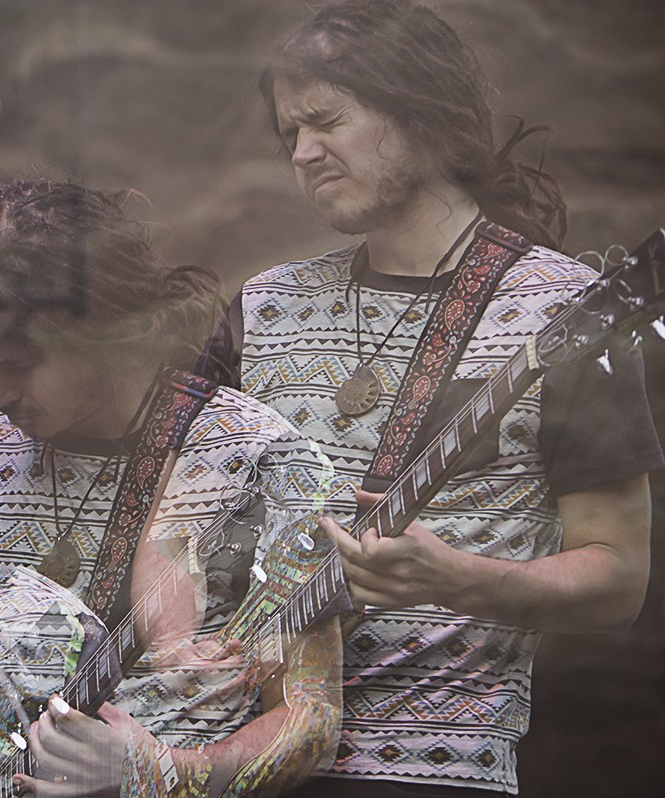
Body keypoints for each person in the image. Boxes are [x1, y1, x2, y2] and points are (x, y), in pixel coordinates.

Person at [214, 1, 665, 795]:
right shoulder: (262, 307)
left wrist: (454, 577)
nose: (303, 153)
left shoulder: (562, 311)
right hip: (235, 757)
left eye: (326, 121)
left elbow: (618, 578)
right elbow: (182, 524)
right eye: (291, 134)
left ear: (420, 113)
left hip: (435, 769)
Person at [0, 178, 344, 797]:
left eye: (19, 364)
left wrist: (158, 773)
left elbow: (309, 718)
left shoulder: (261, 456)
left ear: (106, 331)